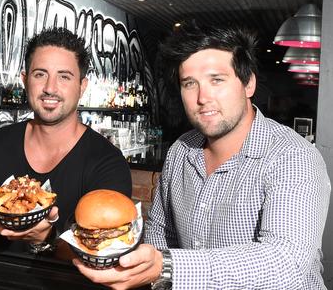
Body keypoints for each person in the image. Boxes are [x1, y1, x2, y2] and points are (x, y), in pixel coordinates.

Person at [74, 26, 330, 289]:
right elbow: (161, 231)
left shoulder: (292, 156)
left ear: (248, 83)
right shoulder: (181, 151)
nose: (202, 98)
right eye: (189, 83)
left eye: (217, 80)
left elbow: (285, 262)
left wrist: (168, 267)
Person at [0, 27, 132, 253]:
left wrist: (45, 237)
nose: (50, 88)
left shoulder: (108, 163)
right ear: (25, 80)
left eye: (64, 77)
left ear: (82, 86)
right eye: (40, 74)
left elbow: (102, 257)